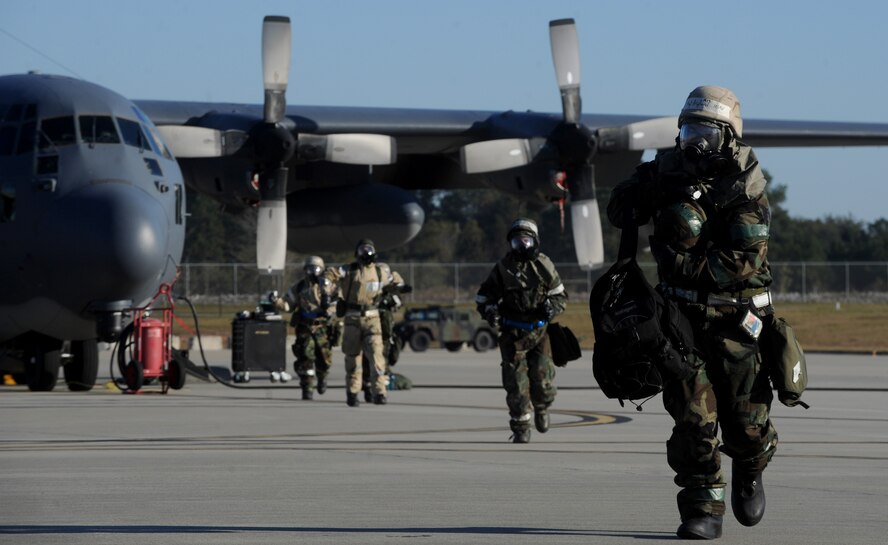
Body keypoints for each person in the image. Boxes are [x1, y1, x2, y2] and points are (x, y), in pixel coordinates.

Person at [607, 86, 778, 540]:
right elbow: (621, 204)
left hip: (734, 318)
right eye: (688, 130)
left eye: (705, 132)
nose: (694, 142)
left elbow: (742, 262)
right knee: (692, 417)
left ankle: (750, 463)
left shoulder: (746, 187)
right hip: (679, 319)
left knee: (745, 423)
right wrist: (644, 194)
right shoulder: (670, 168)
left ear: (728, 137)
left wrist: (677, 257)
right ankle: (704, 504)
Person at [475, 218, 567, 444]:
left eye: (525, 241)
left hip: (539, 334)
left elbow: (560, 296)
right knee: (515, 385)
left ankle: (543, 408)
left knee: (542, 380)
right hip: (512, 334)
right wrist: (490, 312)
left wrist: (551, 308)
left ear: (534, 241)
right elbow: (483, 298)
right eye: (517, 241)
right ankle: (520, 426)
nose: (521, 246)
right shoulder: (504, 268)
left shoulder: (544, 265)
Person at [327, 239, 405, 407]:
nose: (366, 253)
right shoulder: (349, 270)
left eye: (369, 250)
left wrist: (399, 285)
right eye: (363, 250)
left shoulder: (379, 272)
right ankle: (353, 393)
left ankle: (380, 393)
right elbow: (331, 273)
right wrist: (326, 287)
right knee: (353, 359)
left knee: (377, 359)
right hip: (352, 319)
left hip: (373, 319)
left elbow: (394, 280)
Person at [277, 256, 336, 400]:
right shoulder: (299, 287)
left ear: (321, 270)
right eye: (309, 268)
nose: (312, 272)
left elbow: (337, 303)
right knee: (304, 355)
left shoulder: (328, 286)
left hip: (322, 326)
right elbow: (288, 305)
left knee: (324, 357)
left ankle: (322, 377)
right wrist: (277, 302)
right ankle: (307, 386)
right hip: (305, 325)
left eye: (315, 269)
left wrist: (330, 310)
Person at [361, 263, 411, 402]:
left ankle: (377, 387)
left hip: (385, 335)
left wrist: (393, 290)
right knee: (369, 359)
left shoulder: (391, 295)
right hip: (371, 331)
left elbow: (398, 302)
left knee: (383, 361)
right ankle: (369, 386)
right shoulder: (370, 290)